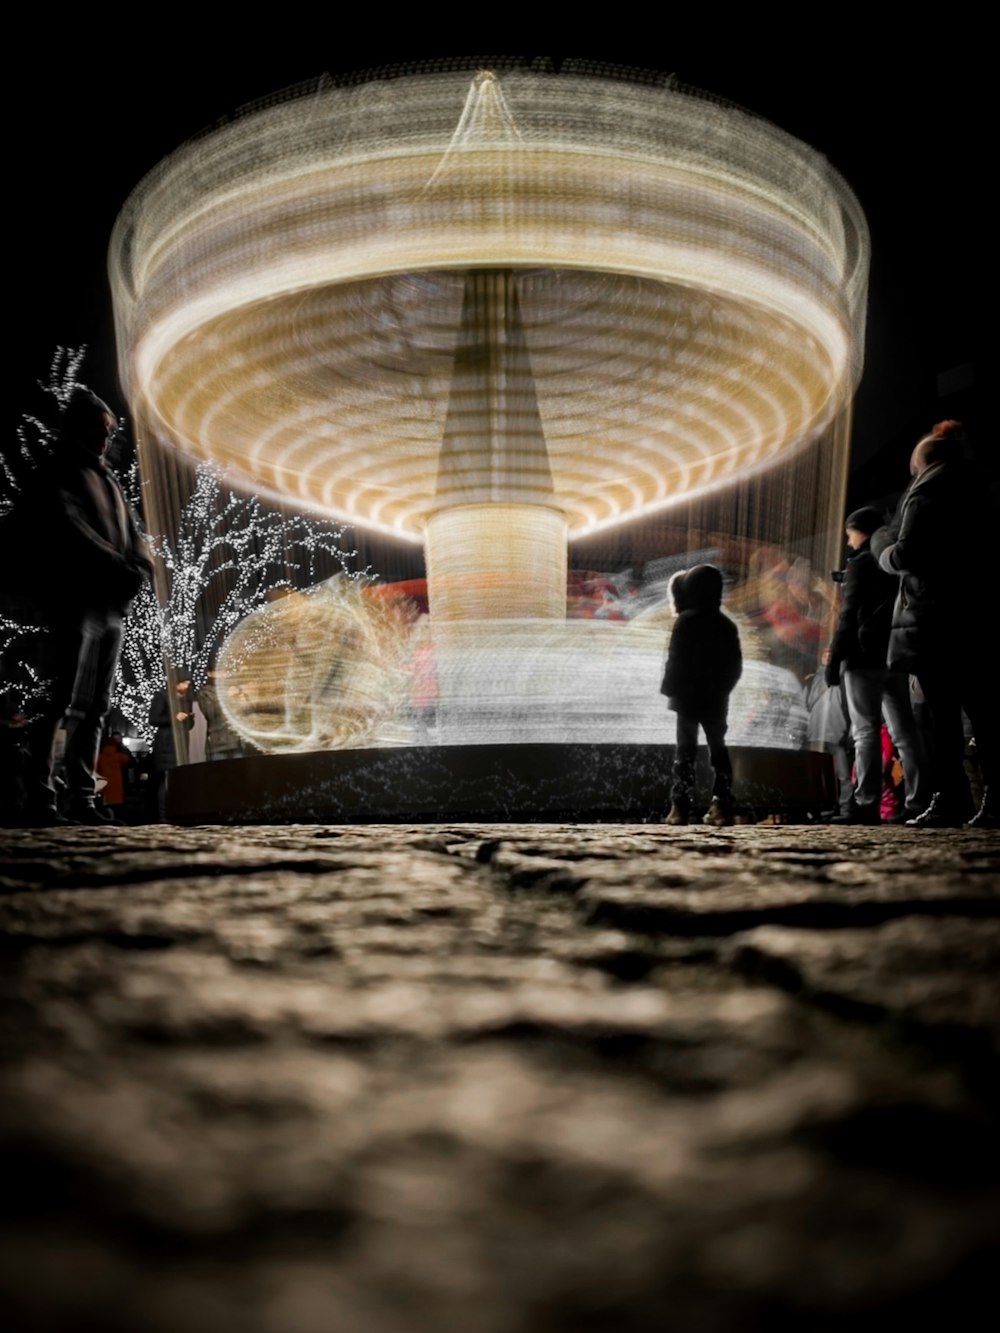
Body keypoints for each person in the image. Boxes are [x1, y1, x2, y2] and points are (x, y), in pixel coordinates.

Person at [8, 387, 151, 825]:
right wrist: (119, 565)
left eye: (109, 431)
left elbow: (135, 534)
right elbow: (67, 525)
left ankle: (81, 799)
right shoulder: (60, 470)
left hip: (110, 607)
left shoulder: (106, 478)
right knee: (60, 702)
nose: (106, 438)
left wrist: (140, 566)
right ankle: (41, 798)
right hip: (73, 600)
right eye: (99, 428)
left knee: (95, 708)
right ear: (79, 426)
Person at [871, 421, 998, 828]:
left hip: (935, 617)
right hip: (975, 612)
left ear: (923, 461)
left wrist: (882, 552)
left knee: (940, 718)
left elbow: (908, 552)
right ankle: (992, 802)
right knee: (982, 709)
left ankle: (950, 800)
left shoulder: (929, 489)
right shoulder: (978, 485)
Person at [824, 506, 930, 824]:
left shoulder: (859, 565)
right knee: (905, 734)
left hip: (861, 658)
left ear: (860, 531)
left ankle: (865, 803)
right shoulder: (890, 563)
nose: (847, 540)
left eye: (849, 533)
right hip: (893, 655)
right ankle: (918, 800)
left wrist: (836, 656)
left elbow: (848, 615)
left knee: (865, 732)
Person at [660, 564, 743, 826]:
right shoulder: (726, 625)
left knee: (684, 753)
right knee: (718, 751)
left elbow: (675, 660)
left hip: (686, 700)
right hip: (716, 701)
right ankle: (722, 804)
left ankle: (680, 807)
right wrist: (722, 689)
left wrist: (668, 687)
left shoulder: (685, 621)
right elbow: (735, 666)